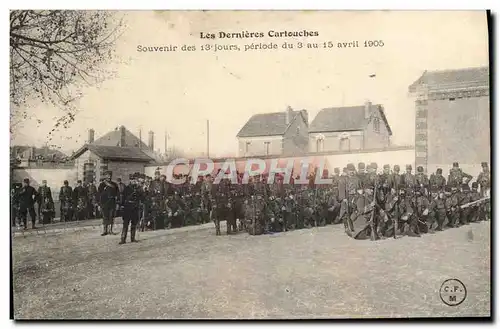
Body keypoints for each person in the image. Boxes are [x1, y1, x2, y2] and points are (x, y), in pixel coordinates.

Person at [119, 173, 145, 244]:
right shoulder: (126, 188)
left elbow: (142, 198)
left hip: (135, 208)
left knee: (134, 223)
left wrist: (143, 192)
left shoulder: (138, 189)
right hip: (127, 208)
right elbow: (123, 198)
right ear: (130, 180)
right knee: (125, 224)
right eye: (132, 179)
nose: (133, 181)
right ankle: (123, 239)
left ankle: (132, 238)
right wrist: (122, 206)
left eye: (135, 180)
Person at [98, 171, 118, 236]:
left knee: (111, 217)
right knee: (105, 217)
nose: (109, 176)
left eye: (110, 175)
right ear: (105, 176)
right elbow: (99, 195)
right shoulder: (102, 185)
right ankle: (105, 230)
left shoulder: (114, 184)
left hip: (112, 203)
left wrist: (117, 203)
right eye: (107, 175)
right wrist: (99, 204)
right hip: (105, 203)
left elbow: (117, 195)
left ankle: (110, 230)